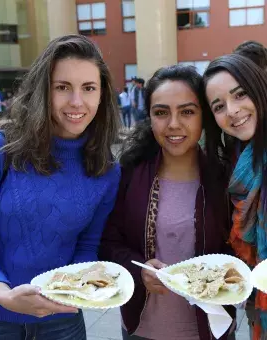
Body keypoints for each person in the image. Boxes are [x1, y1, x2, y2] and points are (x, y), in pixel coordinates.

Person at [0, 34, 121, 340]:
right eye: (62, 87)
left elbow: (87, 246)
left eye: (89, 88)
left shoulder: (107, 170)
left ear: (102, 95)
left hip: (61, 319)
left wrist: (70, 291)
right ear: (42, 91)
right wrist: (4, 295)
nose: (76, 102)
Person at [99, 65, 235, 340]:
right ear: (149, 117)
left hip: (210, 328)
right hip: (142, 327)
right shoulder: (129, 173)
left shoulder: (225, 178)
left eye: (187, 112)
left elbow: (237, 250)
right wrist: (140, 268)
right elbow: (108, 242)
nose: (173, 124)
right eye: (161, 113)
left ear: (203, 116)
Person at [204, 53, 267, 340]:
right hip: (259, 299)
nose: (232, 110)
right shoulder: (237, 157)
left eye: (240, 94)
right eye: (219, 106)